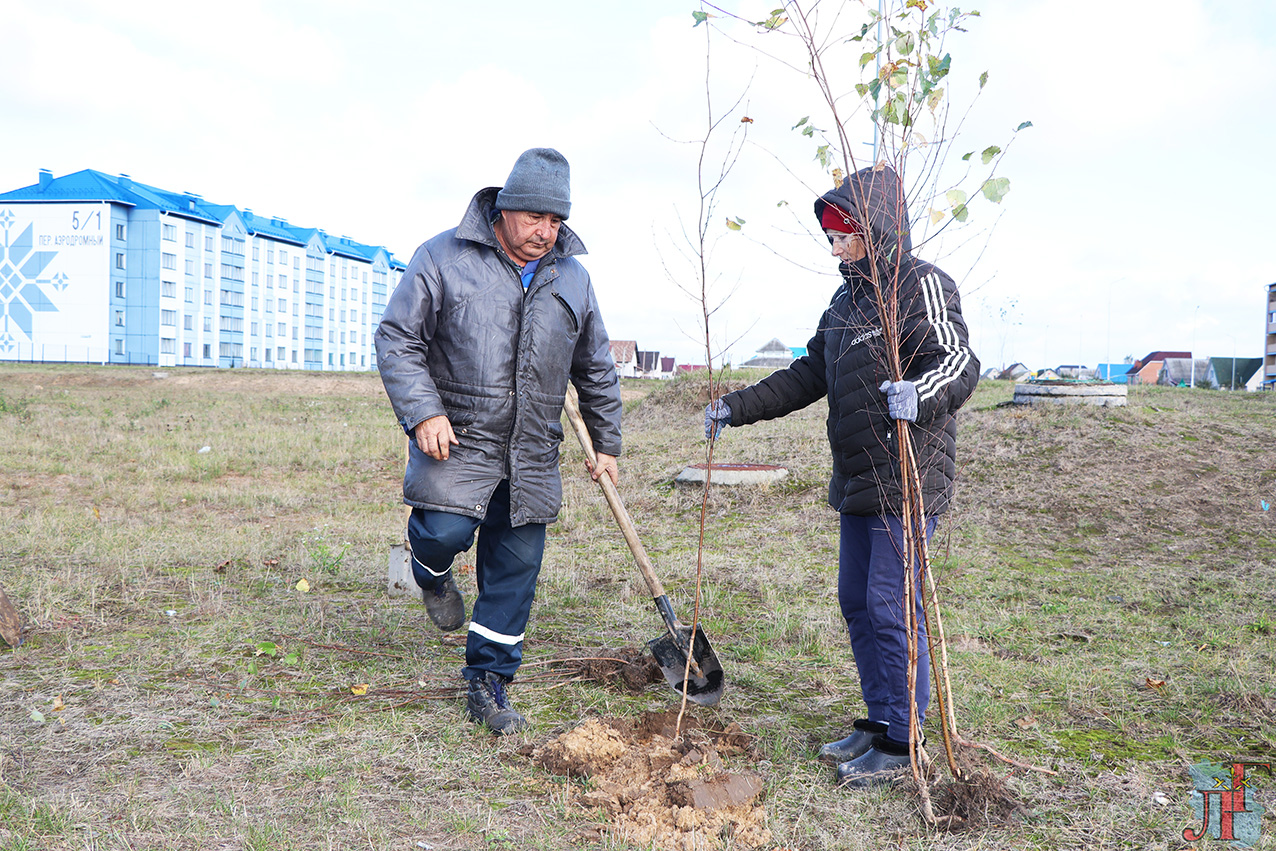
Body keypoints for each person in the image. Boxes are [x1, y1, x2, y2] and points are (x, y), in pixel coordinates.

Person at [704, 165, 978, 787]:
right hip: (857, 478)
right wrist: (736, 406)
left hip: (905, 478)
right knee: (858, 600)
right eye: (828, 237)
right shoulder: (846, 299)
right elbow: (808, 374)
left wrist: (919, 392)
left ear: (873, 230)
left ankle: (906, 742)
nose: (833, 248)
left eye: (841, 236)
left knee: (890, 604)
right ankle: (880, 720)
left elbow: (957, 360)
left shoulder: (919, 284)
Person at [375, 148, 622, 735]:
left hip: (533, 449)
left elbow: (596, 368)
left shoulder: (574, 280)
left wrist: (607, 442)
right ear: (504, 208)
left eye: (556, 220)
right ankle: (429, 571)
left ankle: (488, 679)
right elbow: (397, 338)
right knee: (444, 533)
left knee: (514, 571)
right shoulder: (442, 257)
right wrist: (423, 414)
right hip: (457, 439)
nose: (546, 231)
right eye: (535, 217)